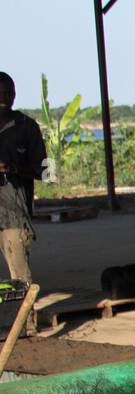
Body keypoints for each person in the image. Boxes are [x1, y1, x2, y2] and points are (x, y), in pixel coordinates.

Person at [0, 72, 47, 282]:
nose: (4, 97)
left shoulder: (28, 127)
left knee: (20, 278)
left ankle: (26, 315)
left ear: (15, 95)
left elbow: (46, 171)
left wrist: (14, 168)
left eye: (8, 93)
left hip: (13, 216)